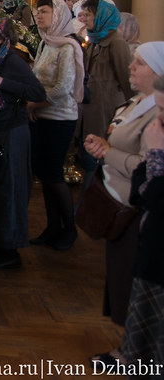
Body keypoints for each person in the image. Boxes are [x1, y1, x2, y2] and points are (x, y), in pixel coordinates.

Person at [85, 42, 164, 365]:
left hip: (137, 209)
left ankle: (134, 353)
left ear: (158, 73)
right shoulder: (139, 103)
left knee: (133, 283)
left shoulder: (155, 118)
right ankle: (129, 347)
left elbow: (147, 168)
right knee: (121, 279)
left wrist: (108, 153)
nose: (131, 67)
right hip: (117, 202)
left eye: (140, 63)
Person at [0, 16, 46, 270]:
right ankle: (0, 245)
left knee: (10, 189)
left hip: (13, 134)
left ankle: (10, 250)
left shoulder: (13, 60)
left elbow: (38, 93)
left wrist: (3, 82)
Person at [116, 76, 164, 373]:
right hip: (153, 247)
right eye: (159, 110)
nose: (159, 120)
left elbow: (156, 197)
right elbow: (140, 192)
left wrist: (156, 153)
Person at [28, 0, 84, 250]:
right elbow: (36, 78)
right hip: (42, 116)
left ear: (59, 14)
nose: (39, 16)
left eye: (44, 12)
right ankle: (52, 227)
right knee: (44, 172)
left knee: (53, 173)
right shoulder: (45, 43)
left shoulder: (68, 47)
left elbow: (63, 88)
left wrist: (35, 104)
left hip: (61, 117)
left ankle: (69, 230)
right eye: (38, 12)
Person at [80, 0, 134, 189]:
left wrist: (128, 113)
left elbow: (127, 79)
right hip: (90, 107)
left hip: (106, 109)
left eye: (88, 15)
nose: (83, 19)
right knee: (88, 160)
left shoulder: (116, 42)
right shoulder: (95, 40)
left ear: (101, 16)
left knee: (99, 163)